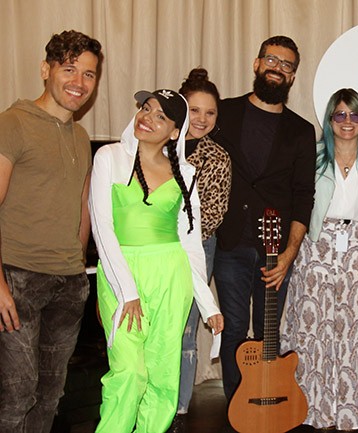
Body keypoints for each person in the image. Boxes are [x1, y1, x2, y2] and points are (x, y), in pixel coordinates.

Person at [89, 89, 224, 433]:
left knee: (163, 377)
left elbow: (190, 242)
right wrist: (127, 291)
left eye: (160, 116)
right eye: (146, 109)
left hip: (170, 276)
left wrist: (207, 304)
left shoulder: (186, 174)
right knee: (129, 372)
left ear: (175, 131)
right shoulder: (110, 157)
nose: (147, 118)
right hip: (122, 275)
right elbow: (102, 227)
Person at [0, 29, 101, 433]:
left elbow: (81, 206)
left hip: (67, 284)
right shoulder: (13, 123)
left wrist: (77, 269)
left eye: (89, 74)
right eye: (70, 69)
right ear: (46, 69)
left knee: (51, 394)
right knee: (17, 395)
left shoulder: (80, 135)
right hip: (18, 279)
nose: (79, 82)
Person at [214, 35, 316, 401]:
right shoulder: (222, 113)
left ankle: (268, 402)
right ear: (257, 64)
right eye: (272, 60)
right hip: (230, 244)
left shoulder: (302, 131)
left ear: (292, 77)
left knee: (268, 329)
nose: (278, 69)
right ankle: (238, 405)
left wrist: (289, 255)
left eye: (287, 65)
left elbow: (305, 195)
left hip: (277, 252)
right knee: (236, 328)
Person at [280, 88, 358, 430]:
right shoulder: (312, 156)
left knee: (353, 331)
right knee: (314, 330)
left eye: (354, 115)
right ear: (329, 119)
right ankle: (313, 406)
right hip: (317, 247)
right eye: (340, 115)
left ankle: (350, 407)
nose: (347, 122)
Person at [169, 68, 231, 433]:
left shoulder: (218, 158)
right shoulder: (156, 144)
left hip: (196, 248)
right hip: (150, 250)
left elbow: (212, 214)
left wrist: (175, 241)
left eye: (210, 113)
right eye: (194, 110)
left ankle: (178, 409)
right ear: (180, 108)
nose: (202, 120)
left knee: (186, 329)